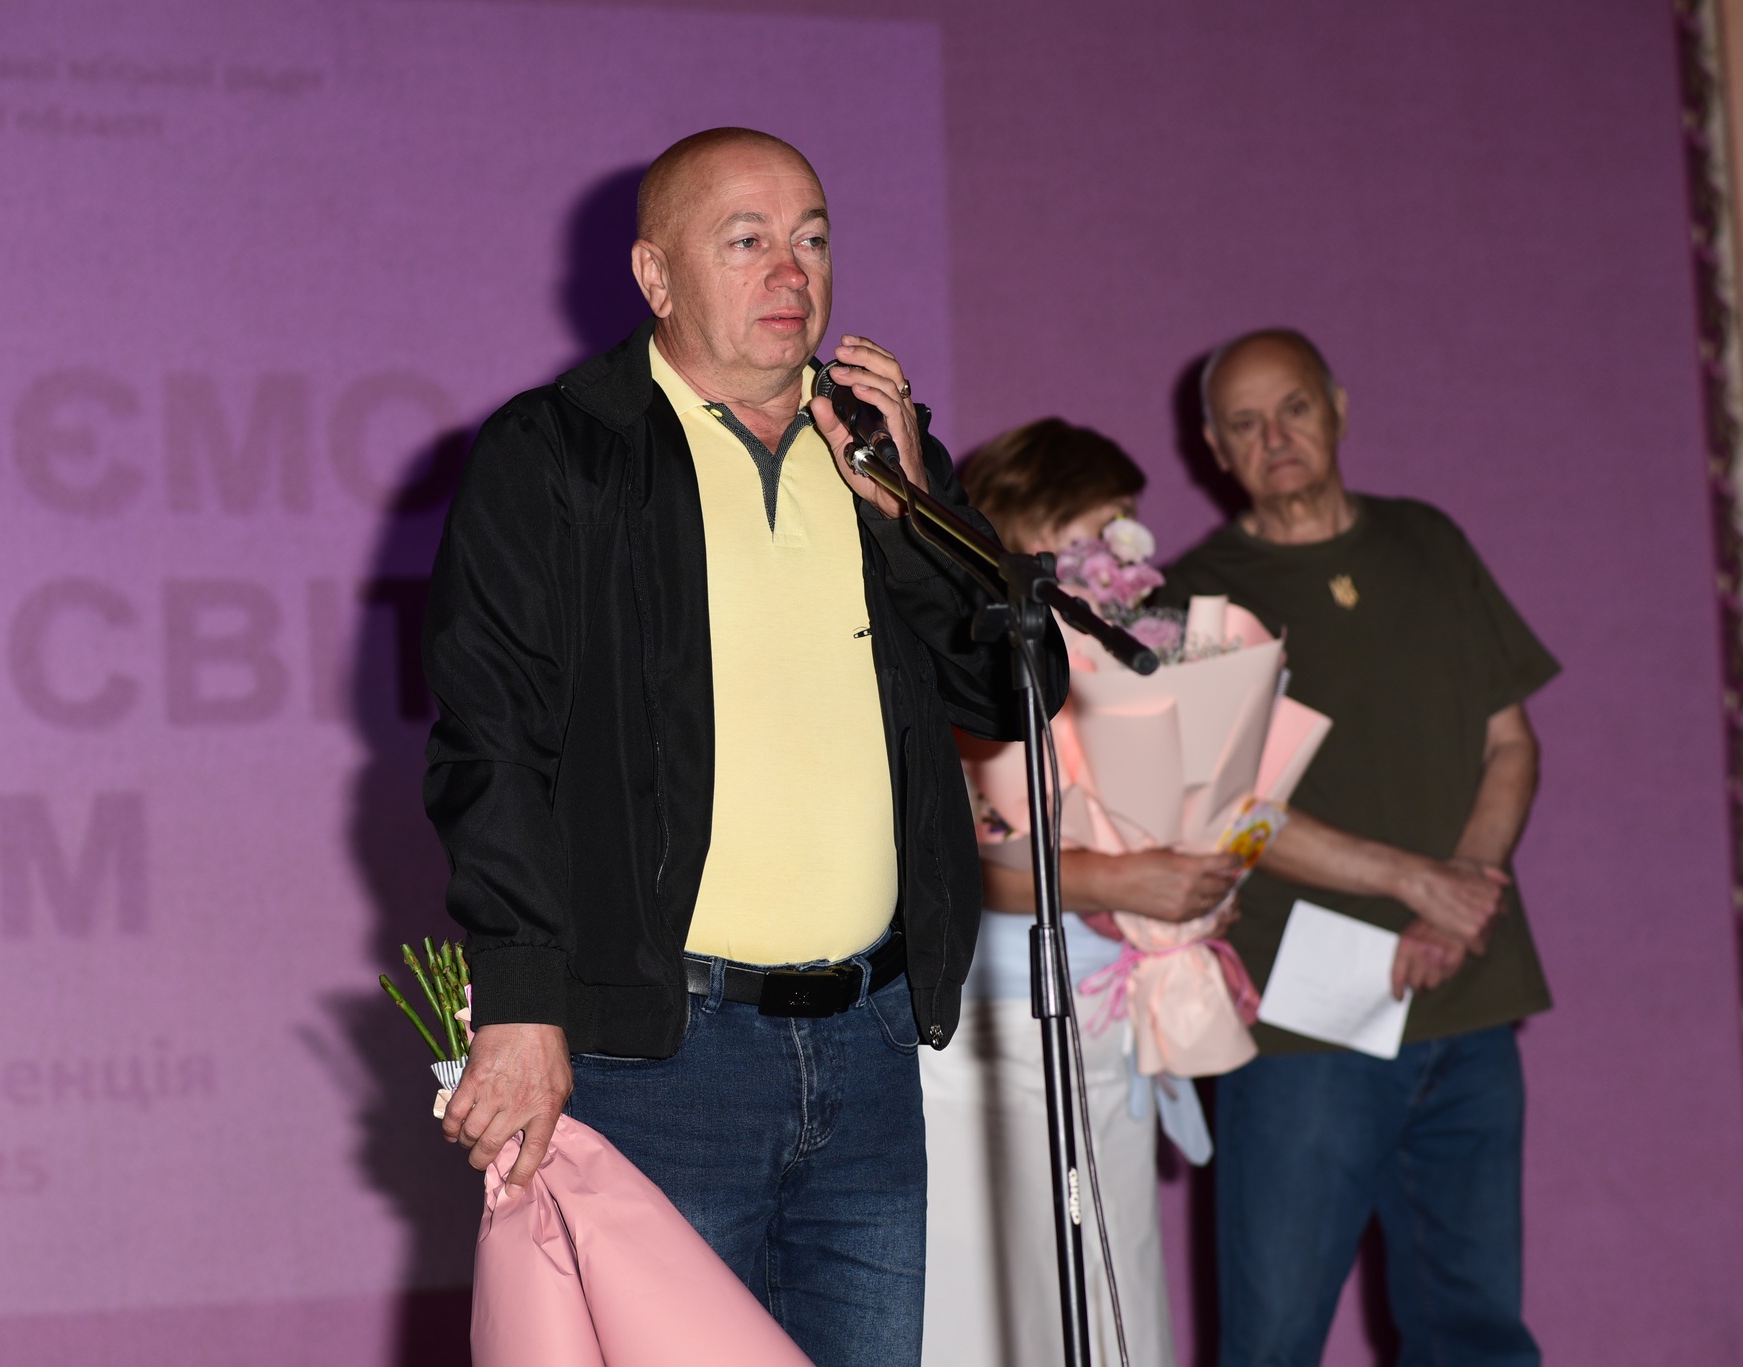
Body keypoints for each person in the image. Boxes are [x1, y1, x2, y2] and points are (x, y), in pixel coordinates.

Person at [419, 127, 1062, 1367]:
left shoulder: (877, 447)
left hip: (869, 1044)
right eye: (747, 240)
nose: (790, 271)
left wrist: (910, 509)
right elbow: (488, 742)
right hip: (663, 1053)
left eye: (811, 237)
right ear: (654, 276)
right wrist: (520, 999)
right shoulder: (560, 451)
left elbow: (1013, 689)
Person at [1158, 329, 1558, 1367]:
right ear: (1213, 446)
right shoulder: (1196, 601)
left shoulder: (1428, 540)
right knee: (1273, 1341)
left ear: (1337, 405)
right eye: (1244, 423)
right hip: (1306, 1022)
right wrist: (1416, 882)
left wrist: (1458, 898)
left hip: (1466, 1000)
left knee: (1478, 1336)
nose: (1274, 437)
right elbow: (1228, 814)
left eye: (1293, 408)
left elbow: (1510, 742)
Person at [920, 418, 1241, 1367]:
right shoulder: (964, 651)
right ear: (1028, 522)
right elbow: (952, 857)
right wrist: (1117, 877)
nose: (1122, 548)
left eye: (1128, 524)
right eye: (1100, 525)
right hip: (988, 1023)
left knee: (1109, 1271)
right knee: (988, 1281)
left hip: (1102, 1005)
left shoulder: (1131, 654)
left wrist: (1187, 883)